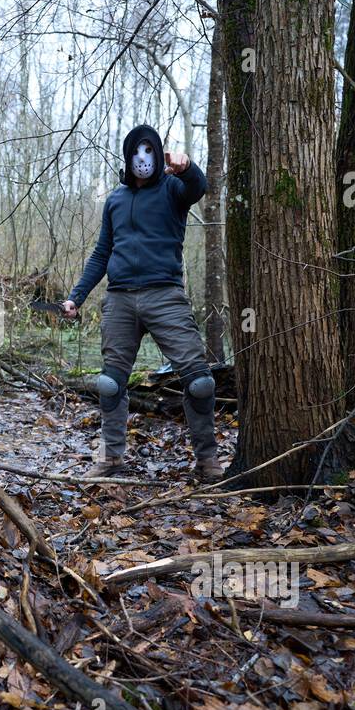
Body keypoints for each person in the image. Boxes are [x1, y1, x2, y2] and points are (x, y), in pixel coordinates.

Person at [61, 124, 223, 481]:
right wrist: (76, 296)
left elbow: (199, 188)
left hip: (164, 295)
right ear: (128, 156)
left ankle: (208, 461)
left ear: (159, 153)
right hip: (119, 299)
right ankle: (112, 457)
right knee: (110, 384)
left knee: (199, 382)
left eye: (150, 151)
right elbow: (102, 252)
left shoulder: (173, 189)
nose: (143, 158)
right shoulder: (116, 200)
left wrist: (187, 166)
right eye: (137, 151)